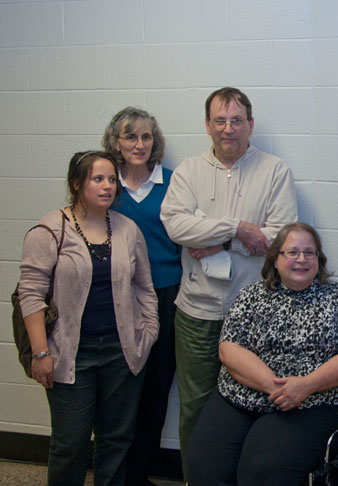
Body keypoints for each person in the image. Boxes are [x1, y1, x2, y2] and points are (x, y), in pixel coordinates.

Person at [160, 87, 298, 475]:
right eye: (220, 121)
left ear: (250, 125)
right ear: (207, 126)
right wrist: (237, 230)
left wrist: (215, 238)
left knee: (254, 402)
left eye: (237, 121)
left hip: (255, 312)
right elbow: (175, 225)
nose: (228, 129)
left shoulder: (274, 171)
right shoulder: (189, 171)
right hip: (197, 312)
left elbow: (281, 238)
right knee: (195, 406)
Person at [186, 222, 338, 485]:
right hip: (241, 395)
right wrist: (274, 386)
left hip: (309, 402)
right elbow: (229, 349)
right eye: (292, 252)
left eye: (310, 253)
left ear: (319, 260)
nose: (301, 259)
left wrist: (305, 386)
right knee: (203, 464)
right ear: (275, 260)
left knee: (261, 471)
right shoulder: (252, 296)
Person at [18, 151, 159, 485]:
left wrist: (148, 332)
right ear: (76, 183)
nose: (107, 186)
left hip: (122, 353)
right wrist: (41, 352)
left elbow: (145, 288)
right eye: (98, 179)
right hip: (70, 355)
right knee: (71, 443)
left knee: (116, 440)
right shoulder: (50, 230)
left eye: (112, 179)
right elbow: (31, 294)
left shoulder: (128, 229)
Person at [101, 107, 182, 486]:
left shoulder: (173, 183)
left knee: (156, 385)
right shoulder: (105, 184)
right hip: (117, 296)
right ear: (116, 142)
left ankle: (139, 474)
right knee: (120, 386)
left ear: (155, 141)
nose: (139, 144)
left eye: (146, 137)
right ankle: (114, 473)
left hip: (166, 291)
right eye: (130, 137)